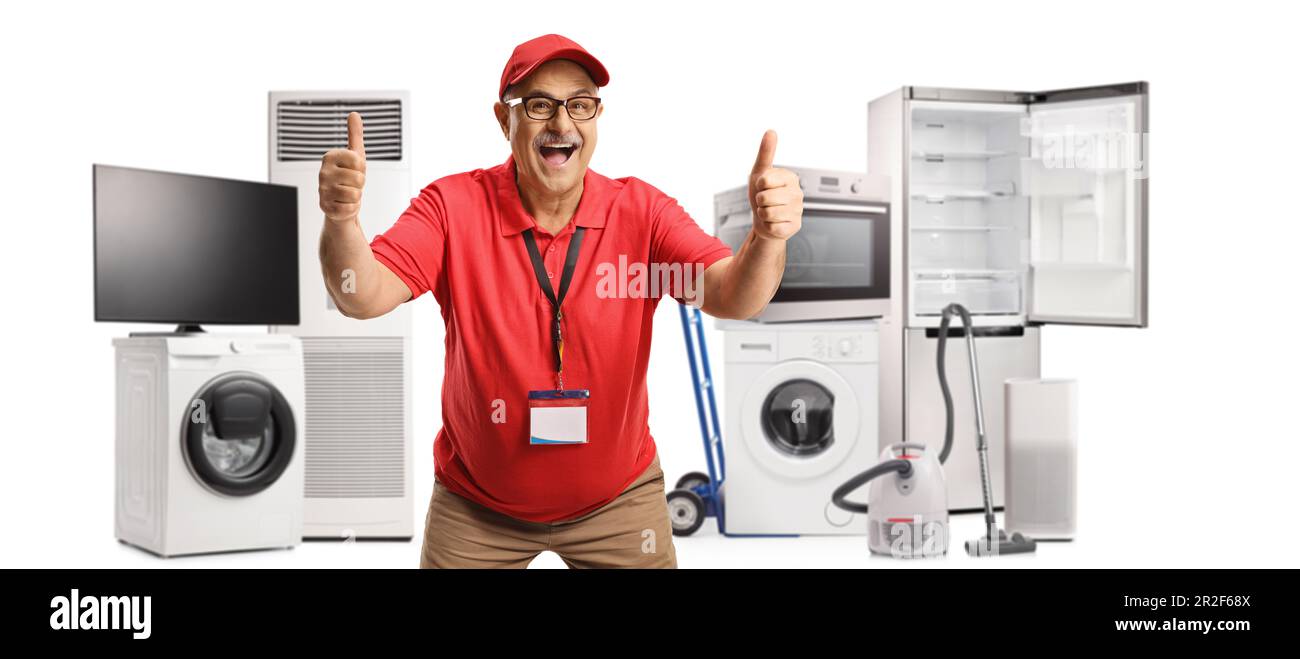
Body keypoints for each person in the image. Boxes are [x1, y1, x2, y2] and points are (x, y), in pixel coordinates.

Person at [317, 34, 802, 568]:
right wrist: (341, 222)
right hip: (476, 508)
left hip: (619, 503)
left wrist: (769, 238)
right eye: (540, 105)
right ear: (505, 122)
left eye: (581, 103)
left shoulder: (642, 213)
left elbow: (734, 296)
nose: (563, 123)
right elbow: (360, 296)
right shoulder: (452, 207)